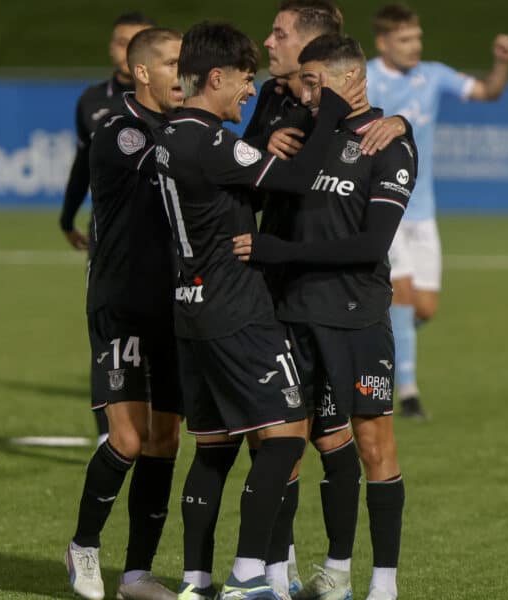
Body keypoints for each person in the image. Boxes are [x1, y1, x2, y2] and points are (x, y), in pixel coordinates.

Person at [153, 22, 359, 600]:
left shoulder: (167, 139)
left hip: (189, 308)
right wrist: (332, 109)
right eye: (244, 81)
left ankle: (196, 582)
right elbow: (296, 178)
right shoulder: (213, 142)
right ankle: (248, 579)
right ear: (214, 78)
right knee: (289, 433)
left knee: (214, 444)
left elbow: (232, 193)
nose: (250, 91)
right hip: (236, 308)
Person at [234, 34, 417, 600]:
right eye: (302, 82)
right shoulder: (304, 137)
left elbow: (371, 246)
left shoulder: (388, 144)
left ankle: (382, 584)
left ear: (350, 82)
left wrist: (278, 253)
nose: (304, 94)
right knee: (282, 445)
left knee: (373, 445)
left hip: (356, 319)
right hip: (291, 316)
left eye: (314, 83)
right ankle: (282, 576)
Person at [63, 28, 187, 600]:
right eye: (171, 63)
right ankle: (84, 546)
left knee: (165, 440)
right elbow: (171, 165)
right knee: (129, 440)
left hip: (174, 307)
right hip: (121, 304)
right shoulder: (121, 132)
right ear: (142, 72)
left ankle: (137, 574)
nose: (182, 74)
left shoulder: (182, 130)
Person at [366, 3, 508, 418]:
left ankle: (368, 338)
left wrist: (501, 63)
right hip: (381, 205)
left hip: (423, 208)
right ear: (383, 42)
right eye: (404, 40)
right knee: (403, 293)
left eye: (417, 38)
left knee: (424, 307)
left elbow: (488, 92)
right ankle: (409, 393)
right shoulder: (365, 78)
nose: (414, 46)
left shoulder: (432, 76)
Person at [59, 11, 156, 443]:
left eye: (135, 42)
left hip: (160, 237)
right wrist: (67, 216)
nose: (125, 50)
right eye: (120, 42)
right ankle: (107, 435)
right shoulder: (92, 101)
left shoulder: (170, 99)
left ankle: (158, 424)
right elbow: (84, 163)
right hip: (108, 239)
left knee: (159, 340)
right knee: (107, 335)